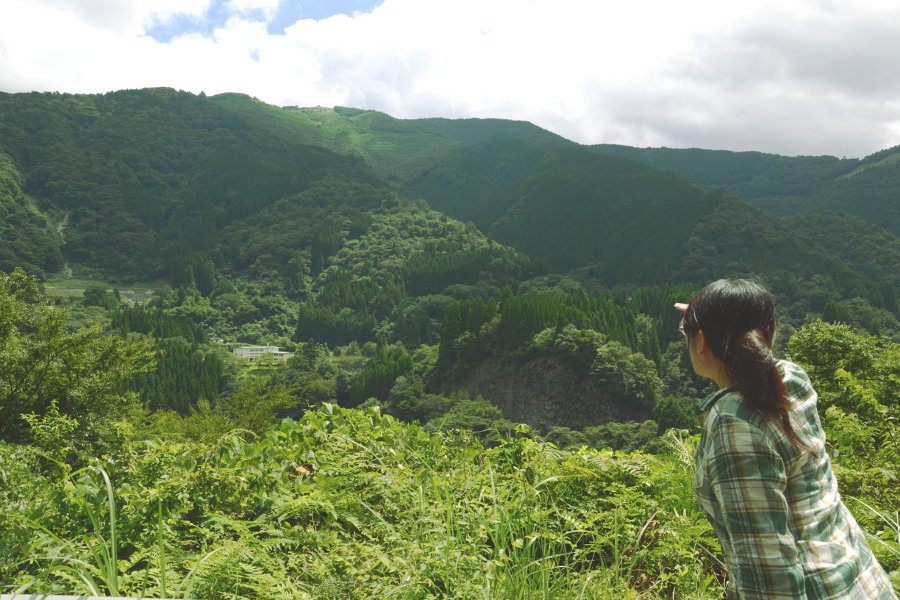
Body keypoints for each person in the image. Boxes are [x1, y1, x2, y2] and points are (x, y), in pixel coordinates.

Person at [675, 278, 896, 599]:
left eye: (686, 333)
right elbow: (747, 365)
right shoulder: (790, 379)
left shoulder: (733, 425)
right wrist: (710, 320)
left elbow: (768, 574)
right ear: (766, 333)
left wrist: (704, 325)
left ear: (702, 342)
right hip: (860, 580)